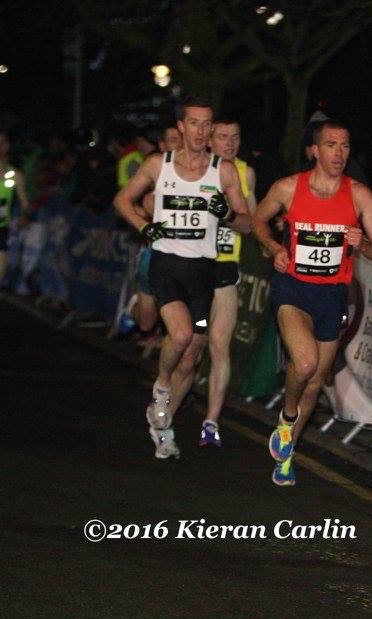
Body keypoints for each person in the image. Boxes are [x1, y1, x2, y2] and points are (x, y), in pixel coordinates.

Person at [252, 118, 372, 485]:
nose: (339, 153)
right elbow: (258, 220)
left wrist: (363, 244)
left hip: (332, 295)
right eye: (331, 145)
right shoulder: (288, 188)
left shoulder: (358, 194)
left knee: (314, 384)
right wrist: (274, 248)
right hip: (293, 289)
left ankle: (286, 456)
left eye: (345, 146)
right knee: (305, 362)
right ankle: (287, 416)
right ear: (314, 150)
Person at [113, 97, 251, 459]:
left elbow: (247, 224)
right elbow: (122, 200)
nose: (200, 131)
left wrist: (228, 214)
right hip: (167, 266)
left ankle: (163, 427)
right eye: (193, 123)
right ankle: (161, 386)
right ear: (181, 127)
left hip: (203, 272)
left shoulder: (223, 171)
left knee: (190, 359)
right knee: (181, 334)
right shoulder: (159, 165)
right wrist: (144, 226)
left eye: (207, 125)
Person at [193, 116, 259, 447]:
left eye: (235, 137)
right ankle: (165, 398)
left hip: (225, 266)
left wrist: (267, 239)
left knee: (220, 345)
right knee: (190, 346)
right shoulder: (195, 171)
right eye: (223, 137)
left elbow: (253, 221)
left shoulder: (246, 173)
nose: (230, 143)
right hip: (192, 268)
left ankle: (211, 422)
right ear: (209, 140)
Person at [134, 125, 183, 342]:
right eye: (173, 140)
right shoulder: (154, 168)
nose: (179, 144)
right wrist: (144, 221)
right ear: (162, 145)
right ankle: (133, 308)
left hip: (188, 257)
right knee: (146, 322)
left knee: (184, 326)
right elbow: (129, 203)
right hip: (154, 254)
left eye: (181, 139)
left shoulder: (201, 169)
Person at [0, 131, 30, 288]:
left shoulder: (15, 174)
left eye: (4, 142)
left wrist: (25, 216)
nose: (1, 146)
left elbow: (24, 202)